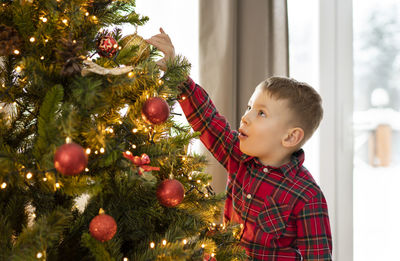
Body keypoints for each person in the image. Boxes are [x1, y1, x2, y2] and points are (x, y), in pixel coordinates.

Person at [146, 28, 332, 261]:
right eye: (249, 107)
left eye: (261, 113)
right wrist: (179, 75)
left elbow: (319, 257)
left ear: (290, 137)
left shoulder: (307, 195)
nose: (246, 118)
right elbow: (209, 121)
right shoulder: (240, 157)